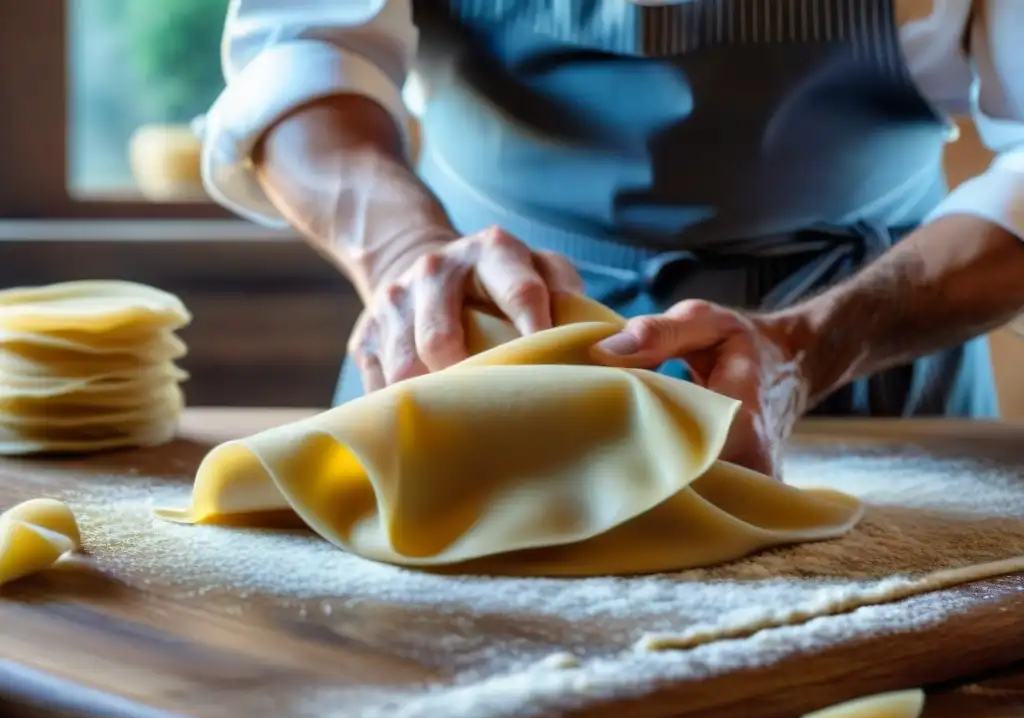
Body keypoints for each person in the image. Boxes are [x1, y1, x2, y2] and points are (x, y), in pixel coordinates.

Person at [197, 0, 1024, 477]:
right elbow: (302, 50)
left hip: (870, 363)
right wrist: (402, 254)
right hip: (467, 348)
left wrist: (808, 348)